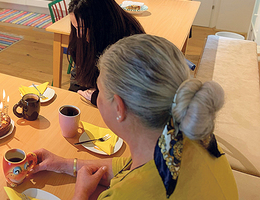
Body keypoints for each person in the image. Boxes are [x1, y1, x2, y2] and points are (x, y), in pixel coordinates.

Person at [31, 34, 237, 199]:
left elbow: (134, 183)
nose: (97, 96)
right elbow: (129, 169)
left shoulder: (124, 195)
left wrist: (81, 194)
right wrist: (64, 164)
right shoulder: (190, 137)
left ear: (119, 108)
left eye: (100, 90)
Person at [67, 0, 145, 105]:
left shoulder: (129, 45)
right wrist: (75, 93)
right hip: (93, 97)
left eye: (82, 28)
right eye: (75, 27)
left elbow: (130, 94)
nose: (79, 35)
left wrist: (97, 97)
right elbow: (78, 69)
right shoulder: (83, 35)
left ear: (101, 25)